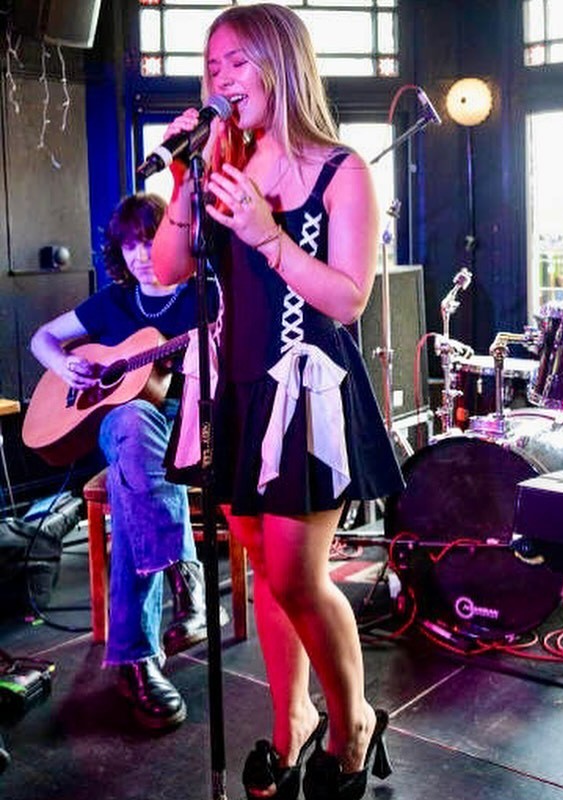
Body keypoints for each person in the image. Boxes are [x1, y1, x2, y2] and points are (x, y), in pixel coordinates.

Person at [153, 4, 404, 798]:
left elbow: (348, 299)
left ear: (282, 64)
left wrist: (267, 235)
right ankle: (292, 720)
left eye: (237, 62)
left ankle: (353, 721)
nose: (221, 79)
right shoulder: (222, 166)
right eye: (212, 67)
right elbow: (166, 269)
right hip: (233, 389)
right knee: (264, 569)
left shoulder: (341, 169)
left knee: (297, 575)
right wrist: (184, 183)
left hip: (305, 387)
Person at [30, 193, 223, 732]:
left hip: (190, 430)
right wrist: (65, 366)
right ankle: (188, 580)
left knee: (132, 470)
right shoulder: (113, 301)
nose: (140, 256)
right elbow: (42, 339)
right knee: (132, 424)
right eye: (130, 245)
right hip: (121, 429)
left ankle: (135, 661)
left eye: (150, 242)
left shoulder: (206, 295)